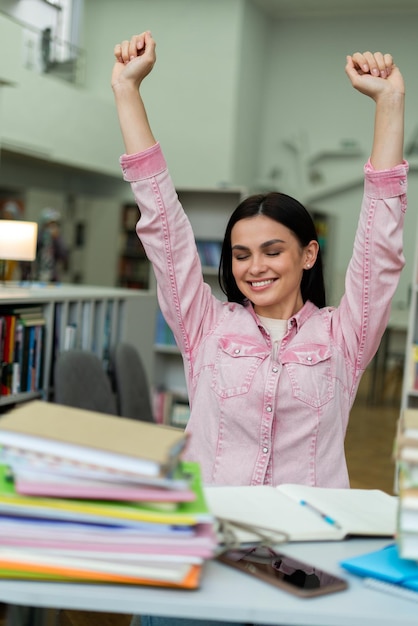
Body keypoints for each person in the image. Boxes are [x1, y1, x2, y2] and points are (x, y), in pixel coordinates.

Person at [112, 31, 406, 626]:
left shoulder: (342, 339)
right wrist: (127, 89)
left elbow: (380, 250)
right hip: (205, 550)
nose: (255, 267)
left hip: (310, 558)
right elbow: (163, 225)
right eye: (241, 254)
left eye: (274, 250)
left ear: (308, 255)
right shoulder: (206, 329)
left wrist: (390, 102)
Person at [35, 208, 69, 282]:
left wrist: (56, 239)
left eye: (54, 224)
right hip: (37, 274)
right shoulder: (38, 236)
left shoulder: (58, 238)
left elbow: (64, 255)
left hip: (52, 276)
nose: (51, 227)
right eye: (49, 224)